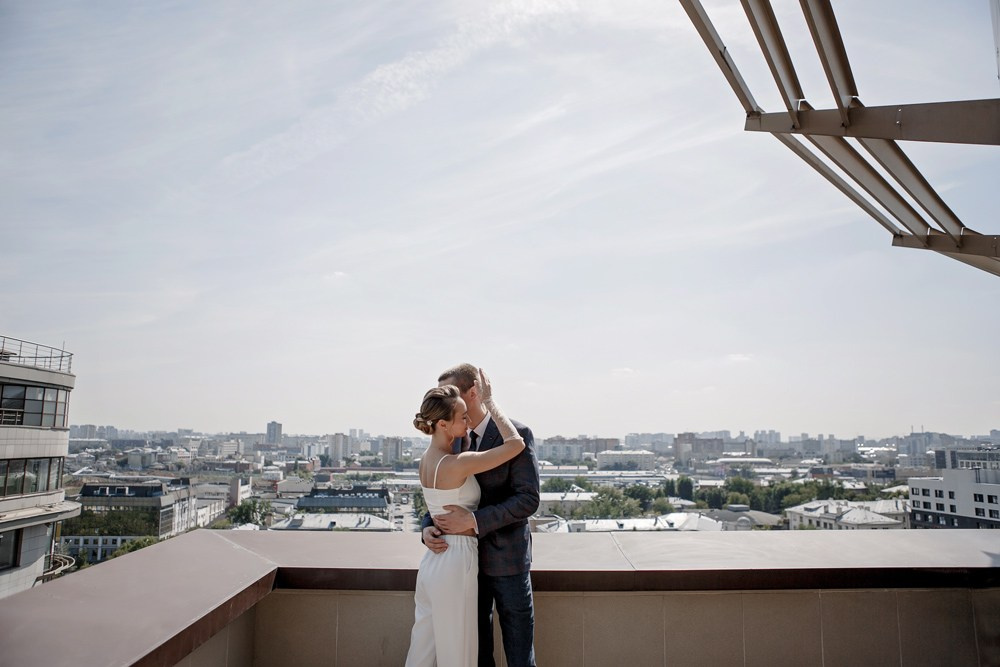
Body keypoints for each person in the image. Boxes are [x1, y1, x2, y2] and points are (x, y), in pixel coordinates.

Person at [405, 370, 526, 667]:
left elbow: (439, 506)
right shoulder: (456, 462)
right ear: (443, 424)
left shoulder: (426, 460)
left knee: (424, 649)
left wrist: (428, 528)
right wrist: (491, 401)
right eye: (462, 417)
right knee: (458, 654)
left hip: (434, 562)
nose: (468, 421)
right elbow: (516, 444)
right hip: (456, 560)